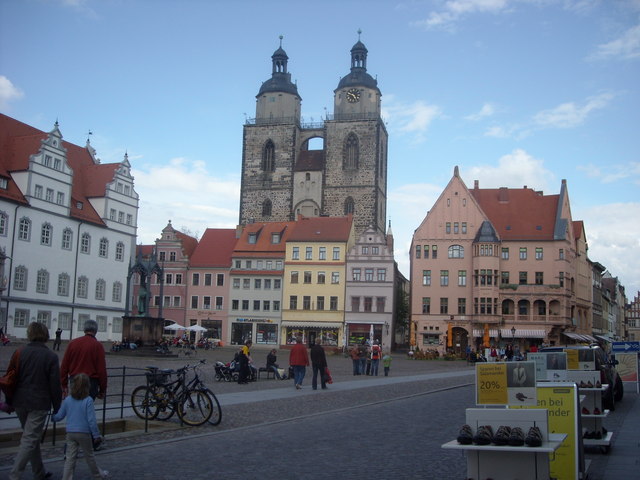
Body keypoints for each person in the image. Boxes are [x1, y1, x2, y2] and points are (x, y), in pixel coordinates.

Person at [9, 321, 62, 480]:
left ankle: (39, 472)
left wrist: (9, 400)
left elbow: (10, 378)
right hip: (39, 402)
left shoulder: (19, 352)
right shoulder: (50, 356)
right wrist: (57, 406)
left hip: (20, 401)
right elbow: (55, 384)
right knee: (30, 438)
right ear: (45, 335)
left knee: (31, 437)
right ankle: (15, 474)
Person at [53, 373, 109, 479]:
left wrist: (53, 417)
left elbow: (60, 416)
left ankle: (66, 478)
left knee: (70, 458)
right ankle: (98, 475)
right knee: (89, 456)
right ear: (87, 386)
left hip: (70, 432)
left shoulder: (68, 400)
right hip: (84, 433)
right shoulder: (88, 400)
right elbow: (91, 420)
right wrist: (96, 435)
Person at [60, 319, 107, 401]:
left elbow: (64, 366)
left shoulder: (73, 343)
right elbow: (101, 370)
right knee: (87, 408)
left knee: (75, 406)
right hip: (91, 382)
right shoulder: (98, 346)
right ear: (96, 331)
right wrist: (103, 389)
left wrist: (64, 385)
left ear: (84, 330)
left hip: (75, 380)